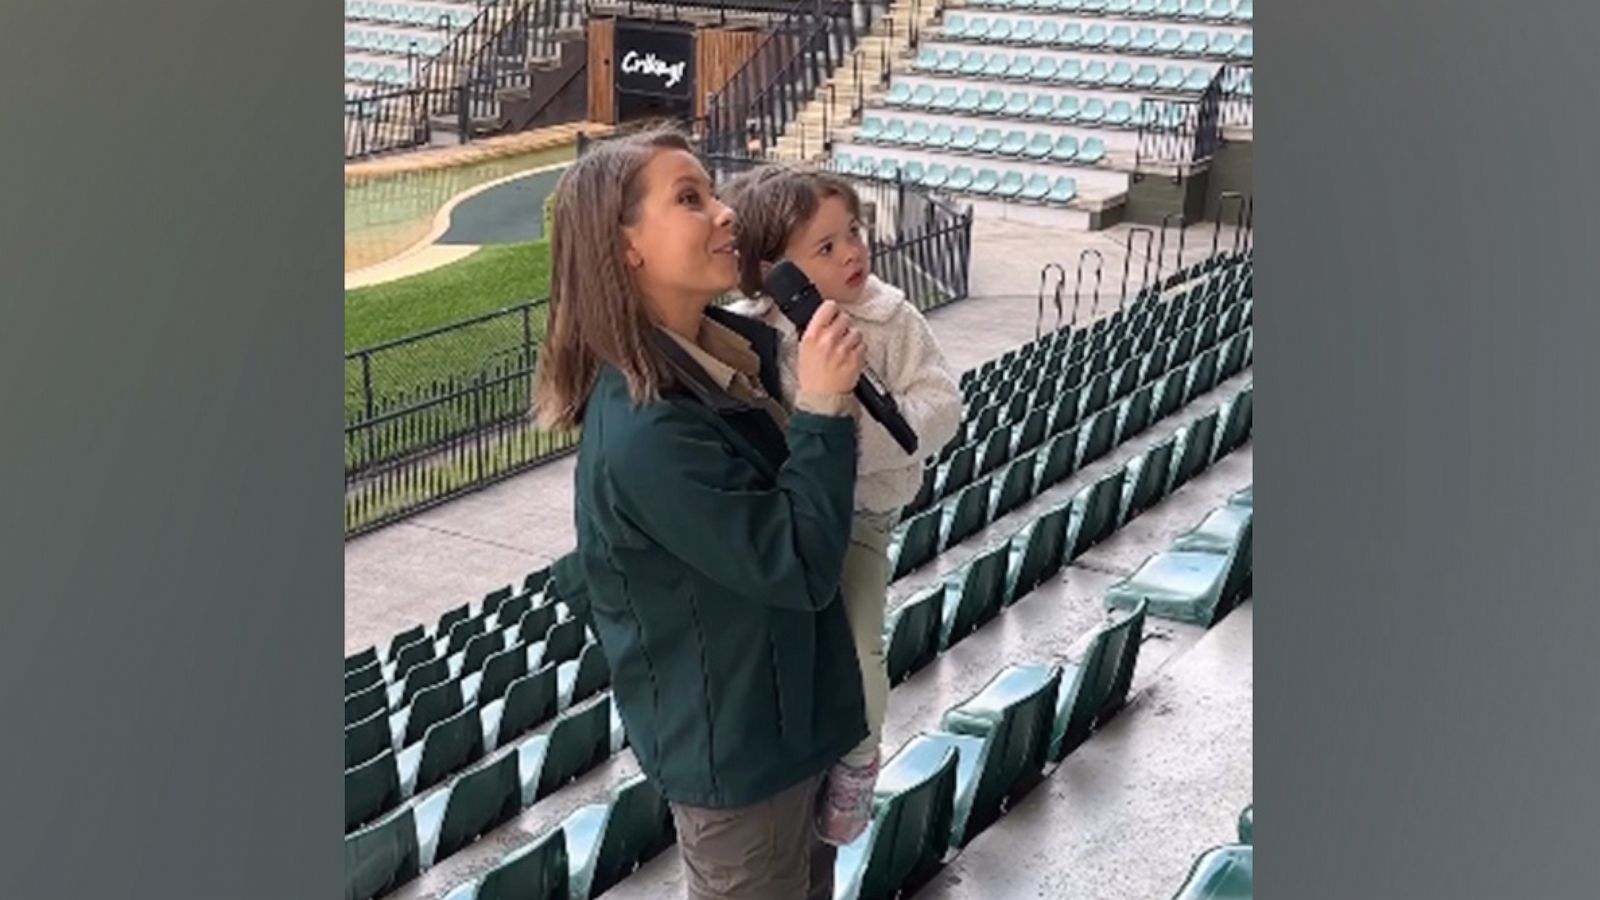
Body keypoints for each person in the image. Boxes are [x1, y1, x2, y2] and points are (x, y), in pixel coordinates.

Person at [535, 129, 868, 900]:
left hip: (790, 723)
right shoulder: (649, 431)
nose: (725, 214)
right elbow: (797, 561)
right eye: (690, 199)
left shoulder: (725, 363)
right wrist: (822, 407)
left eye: (714, 193)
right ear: (626, 249)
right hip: (743, 756)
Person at [721, 165, 963, 843]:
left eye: (852, 232)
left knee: (860, 644)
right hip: (786, 519)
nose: (853, 252)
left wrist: (849, 438)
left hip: (859, 517)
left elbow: (940, 406)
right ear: (777, 274)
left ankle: (859, 765)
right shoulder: (752, 329)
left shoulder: (891, 318)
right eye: (824, 248)